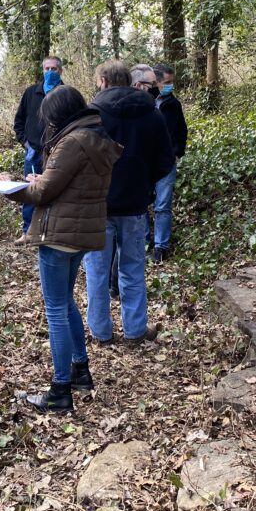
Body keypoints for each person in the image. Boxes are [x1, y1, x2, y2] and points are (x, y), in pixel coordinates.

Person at [7, 86, 123, 412]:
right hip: (81, 232)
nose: (49, 123)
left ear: (60, 115)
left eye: (50, 117)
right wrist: (39, 181)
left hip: (59, 234)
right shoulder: (94, 137)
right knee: (66, 300)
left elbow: (43, 193)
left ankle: (59, 391)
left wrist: (12, 188)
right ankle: (80, 370)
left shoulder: (71, 142)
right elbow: (65, 183)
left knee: (55, 309)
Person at [84, 60, 173, 346]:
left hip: (99, 205)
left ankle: (101, 332)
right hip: (135, 204)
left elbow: (80, 160)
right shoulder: (152, 113)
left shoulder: (92, 114)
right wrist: (145, 183)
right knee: (133, 270)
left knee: (97, 272)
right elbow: (165, 162)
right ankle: (134, 331)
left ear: (104, 82)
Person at [13, 56, 64, 244]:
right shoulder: (31, 93)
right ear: (42, 70)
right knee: (30, 191)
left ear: (61, 71)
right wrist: (26, 145)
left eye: (54, 69)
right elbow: (18, 122)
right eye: (47, 68)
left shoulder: (66, 94)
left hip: (58, 153)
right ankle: (27, 232)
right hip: (33, 154)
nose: (50, 72)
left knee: (56, 191)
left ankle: (52, 233)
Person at [150, 63, 187, 262]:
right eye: (167, 82)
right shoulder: (144, 101)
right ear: (156, 82)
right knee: (142, 202)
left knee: (163, 205)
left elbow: (182, 131)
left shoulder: (174, 104)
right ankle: (144, 240)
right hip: (145, 161)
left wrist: (177, 152)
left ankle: (160, 247)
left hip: (167, 162)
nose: (170, 86)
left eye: (172, 82)